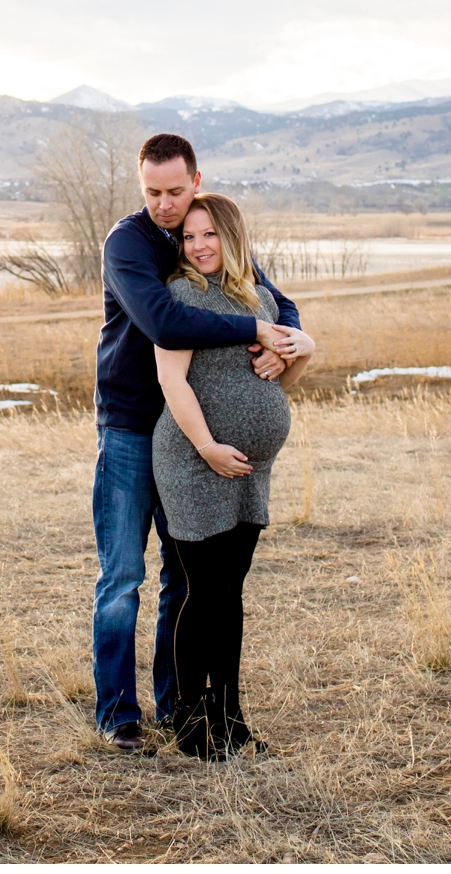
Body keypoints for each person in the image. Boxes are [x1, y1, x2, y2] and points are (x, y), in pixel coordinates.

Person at [91, 133, 314, 753]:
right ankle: (118, 713)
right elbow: (166, 322)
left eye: (174, 191)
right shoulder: (129, 244)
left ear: (196, 180)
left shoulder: (207, 227)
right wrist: (254, 330)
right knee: (123, 576)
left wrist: (296, 342)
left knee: (182, 583)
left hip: (199, 440)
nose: (165, 206)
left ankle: (179, 707)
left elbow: (277, 302)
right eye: (152, 192)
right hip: (137, 423)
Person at [153, 192, 308, 758]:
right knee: (203, 591)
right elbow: (173, 382)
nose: (197, 247)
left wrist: (297, 360)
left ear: (232, 235)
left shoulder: (260, 298)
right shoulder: (182, 294)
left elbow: (273, 386)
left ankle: (232, 716)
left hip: (248, 467)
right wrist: (209, 447)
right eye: (188, 237)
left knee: (231, 592)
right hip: (193, 459)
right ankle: (192, 725)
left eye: (208, 235)